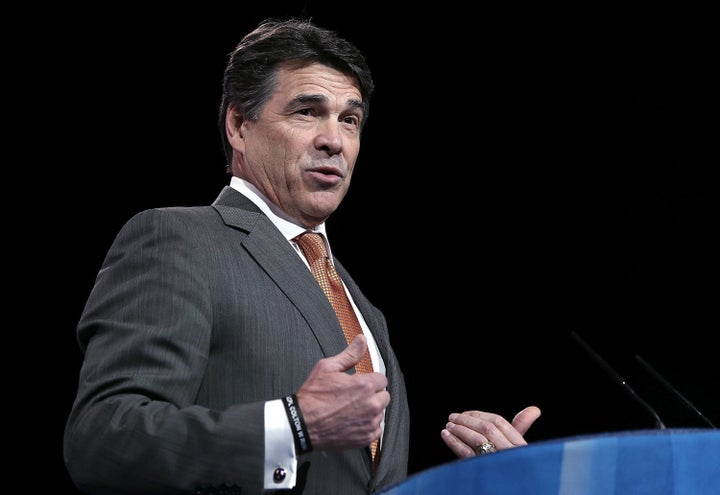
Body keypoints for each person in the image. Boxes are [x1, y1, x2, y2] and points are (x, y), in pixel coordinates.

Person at [63, 17, 541, 495]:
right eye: (307, 112)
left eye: (349, 119)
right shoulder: (179, 240)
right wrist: (292, 423)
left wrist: (486, 480)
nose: (334, 140)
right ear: (238, 124)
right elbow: (104, 439)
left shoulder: (363, 309)